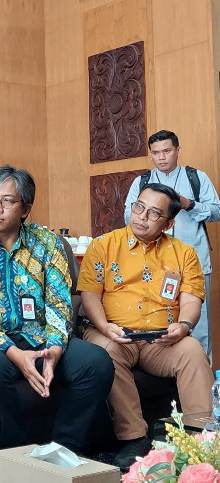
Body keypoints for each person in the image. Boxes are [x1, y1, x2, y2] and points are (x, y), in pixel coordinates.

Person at [0, 165, 114, 455]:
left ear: (25, 209)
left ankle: (63, 451)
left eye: (7, 201)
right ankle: (19, 455)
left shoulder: (47, 243)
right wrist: (14, 353)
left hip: (39, 333)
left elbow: (59, 303)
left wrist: (55, 349)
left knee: (96, 362)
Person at [80, 183, 213, 469]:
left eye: (153, 213)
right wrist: (104, 326)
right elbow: (89, 294)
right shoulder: (103, 245)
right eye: (139, 207)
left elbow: (191, 298)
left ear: (168, 224)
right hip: (114, 333)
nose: (142, 216)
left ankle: (203, 439)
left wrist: (184, 325)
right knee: (105, 352)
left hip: (161, 340)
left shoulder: (184, 253)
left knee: (192, 351)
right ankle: (134, 437)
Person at [123, 130, 220, 354]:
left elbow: (216, 211)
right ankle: (166, 371)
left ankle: (202, 371)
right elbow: (129, 216)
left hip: (195, 260)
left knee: (198, 323)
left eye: (167, 151)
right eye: (156, 153)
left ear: (178, 150)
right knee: (159, 318)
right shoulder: (142, 182)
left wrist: (189, 204)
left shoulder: (196, 177)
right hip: (153, 263)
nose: (161, 157)